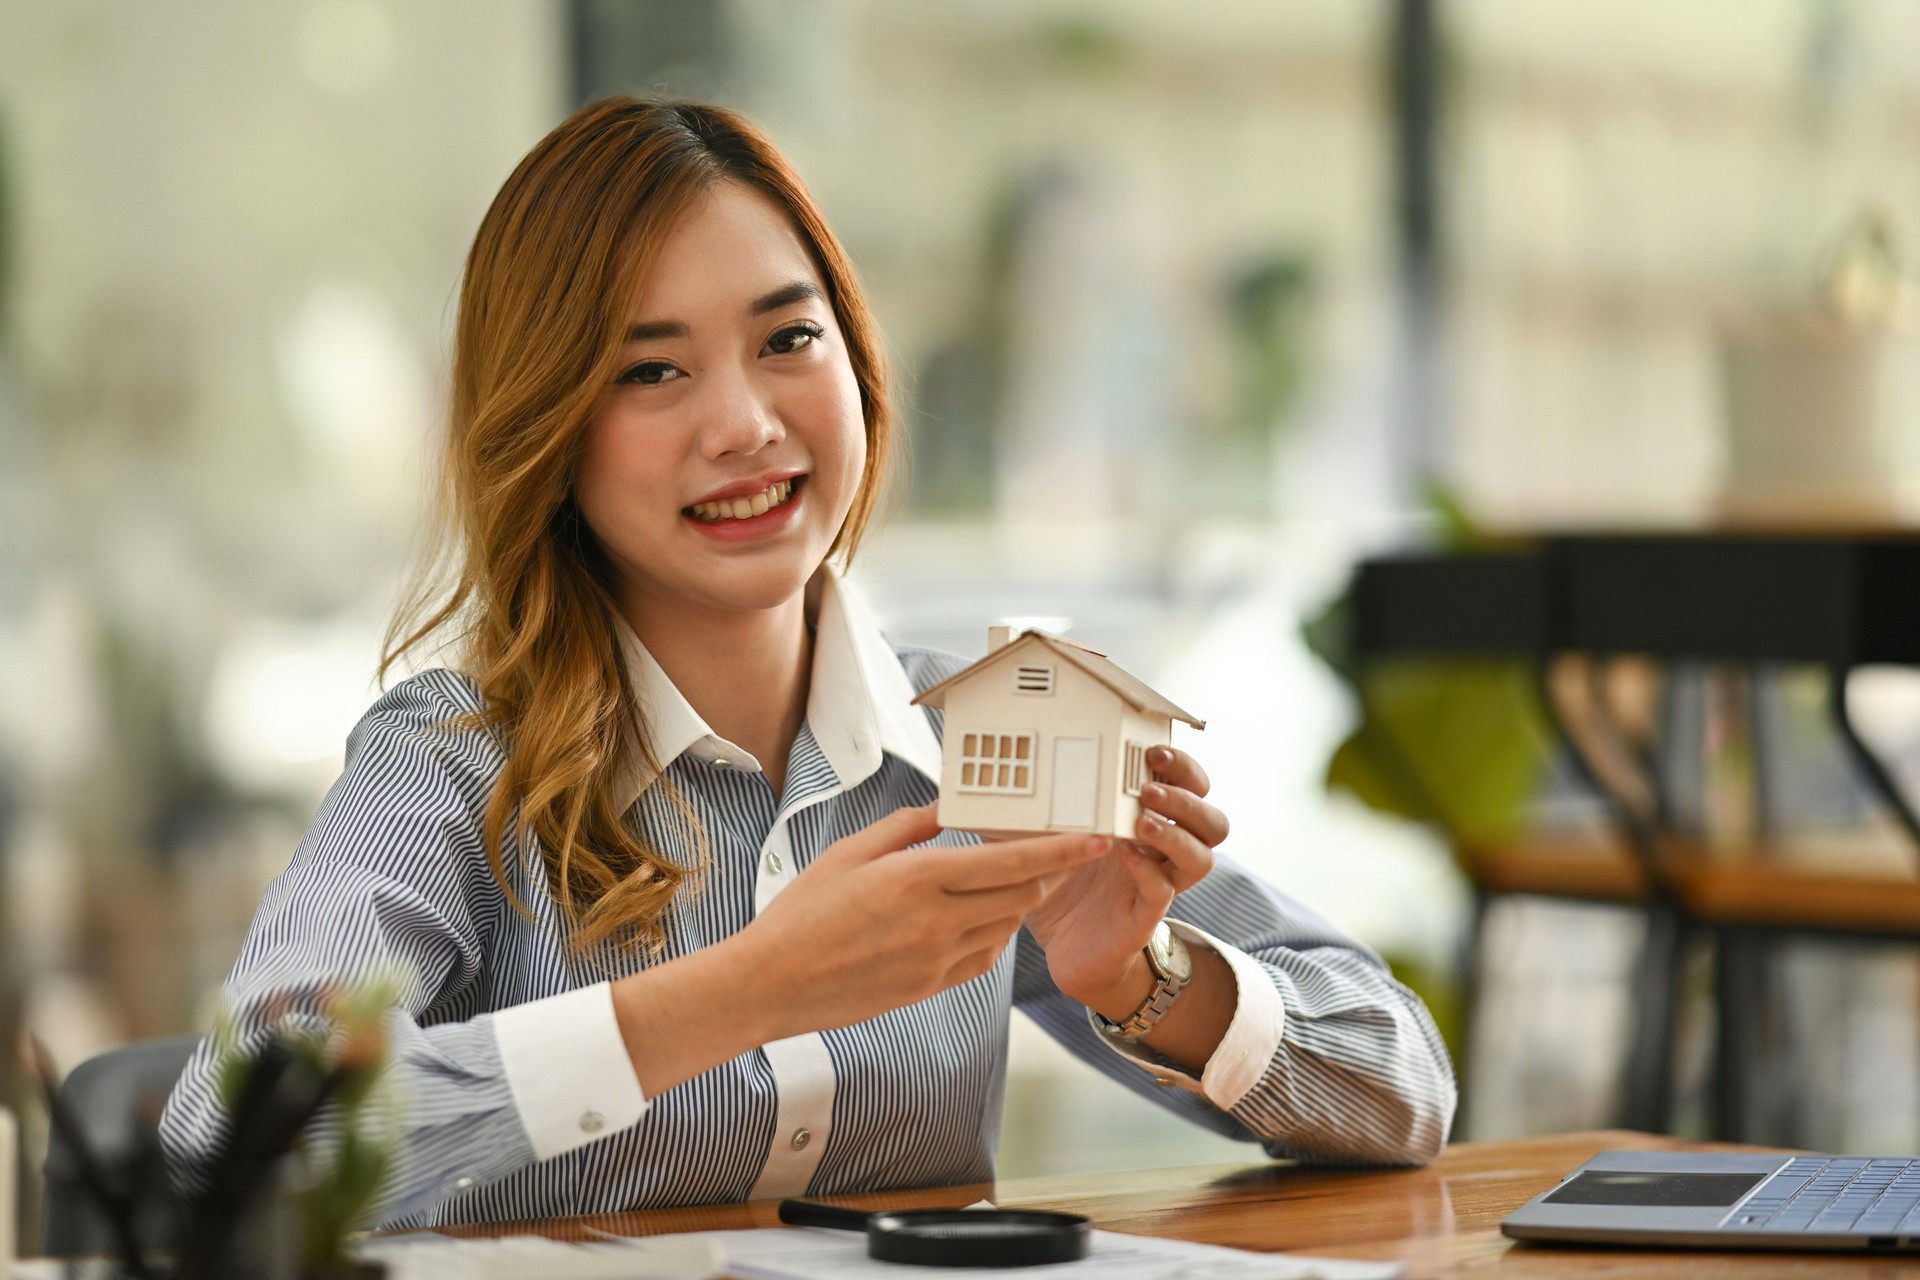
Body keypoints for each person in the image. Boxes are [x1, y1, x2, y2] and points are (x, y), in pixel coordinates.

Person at [160, 98, 1456, 1229]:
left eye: (790, 341)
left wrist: (1135, 976)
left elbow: (1407, 1090)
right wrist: (744, 993)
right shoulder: (451, 766)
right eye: (653, 370)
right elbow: (233, 1138)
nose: (745, 423)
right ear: (549, 428)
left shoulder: (979, 741)